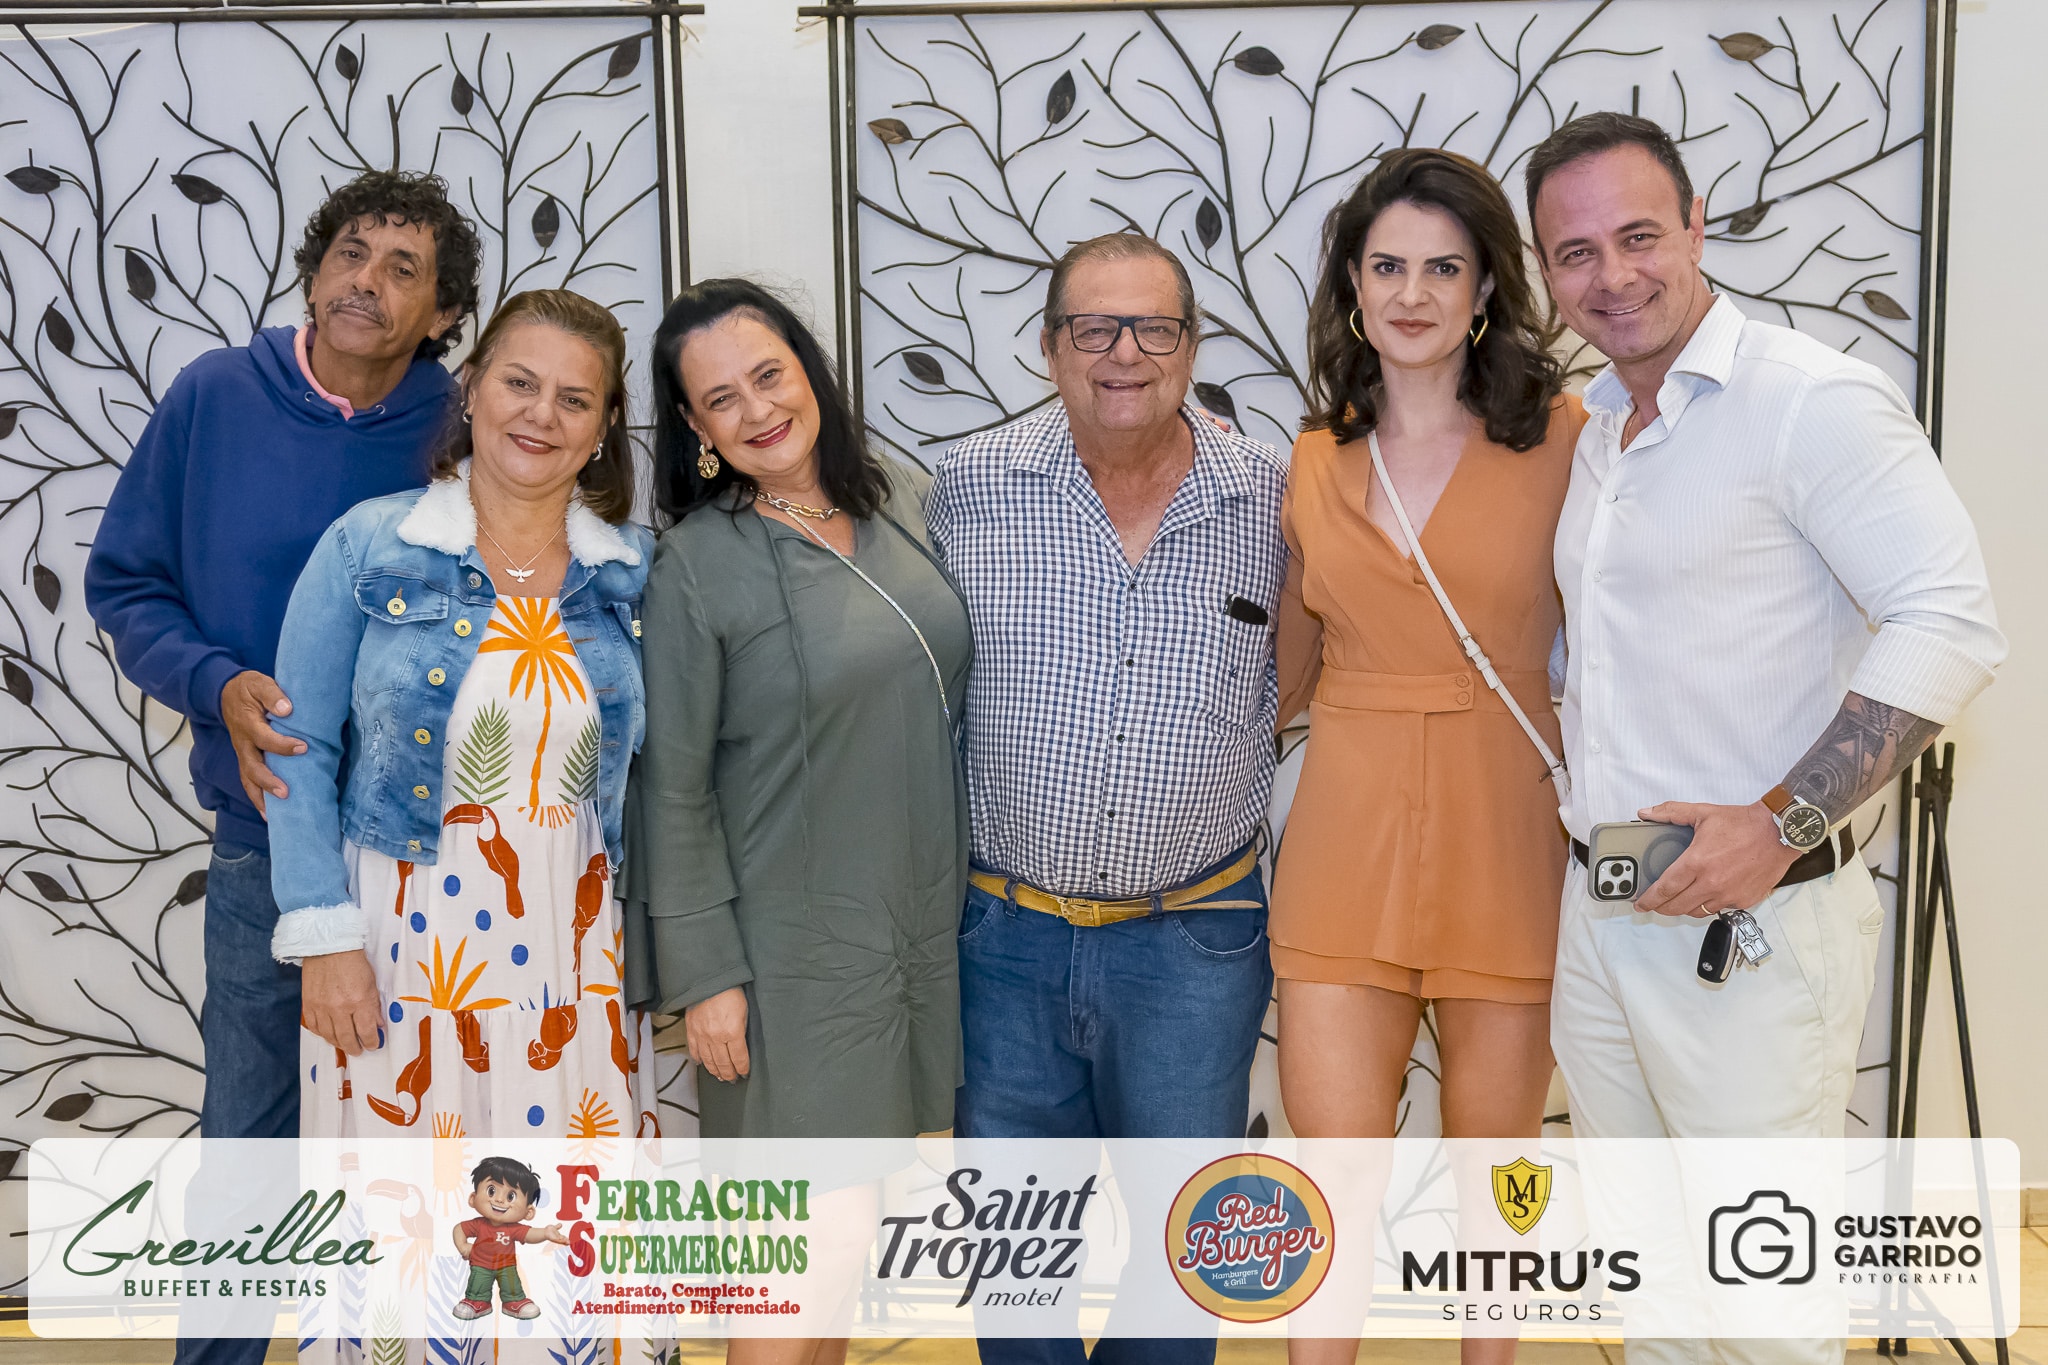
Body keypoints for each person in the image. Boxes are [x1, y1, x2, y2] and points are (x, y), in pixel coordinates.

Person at [1527, 113, 2003, 1364]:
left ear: (1695, 226)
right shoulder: (1596, 429)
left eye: (1638, 235)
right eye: (1574, 252)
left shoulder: (1806, 402)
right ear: (1544, 271)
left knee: (1757, 1301)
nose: (1612, 275)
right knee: (1647, 1286)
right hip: (1605, 907)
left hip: (1753, 926)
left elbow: (1950, 623)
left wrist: (1780, 821)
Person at [264, 289, 660, 1363]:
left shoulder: (633, 572)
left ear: (603, 424)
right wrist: (323, 935)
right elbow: (296, 748)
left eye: (574, 399)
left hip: (573, 951)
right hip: (399, 948)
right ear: (474, 386)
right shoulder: (371, 543)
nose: (541, 414)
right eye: (519, 383)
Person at [928, 233, 1287, 1365]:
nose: (1123, 352)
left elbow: (1311, 677)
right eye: (1093, 327)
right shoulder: (967, 487)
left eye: (1153, 327)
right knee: (1015, 1255)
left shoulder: (1270, 497)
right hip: (1003, 937)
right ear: (1048, 348)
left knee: (1186, 1252)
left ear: (1192, 345)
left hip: (1194, 940)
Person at [1271, 147, 1583, 1365]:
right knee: (1329, 1182)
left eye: (1442, 268)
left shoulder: (1566, 439)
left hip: (1505, 830)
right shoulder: (1311, 458)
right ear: (1351, 285)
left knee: (1494, 1184)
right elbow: (1281, 668)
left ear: (1485, 287)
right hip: (1344, 836)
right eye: (1387, 266)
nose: (1411, 294)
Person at [623, 278, 969, 1141]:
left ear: (808, 369)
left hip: (925, 930)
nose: (757, 410)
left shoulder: (900, 498)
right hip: (786, 956)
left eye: (769, 375)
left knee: (901, 1191)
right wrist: (707, 977)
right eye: (721, 399)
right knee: (823, 1209)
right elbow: (673, 788)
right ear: (696, 428)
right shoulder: (694, 565)